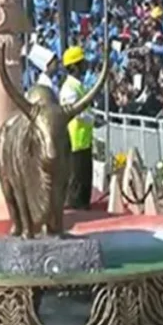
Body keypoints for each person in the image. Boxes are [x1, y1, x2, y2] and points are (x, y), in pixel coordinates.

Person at [60, 46, 95, 210]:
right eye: (82, 63)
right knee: (77, 185)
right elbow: (76, 112)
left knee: (84, 183)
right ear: (73, 67)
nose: (85, 66)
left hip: (84, 141)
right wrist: (93, 119)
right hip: (75, 142)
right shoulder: (69, 88)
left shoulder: (79, 86)